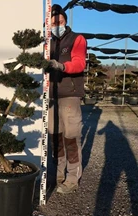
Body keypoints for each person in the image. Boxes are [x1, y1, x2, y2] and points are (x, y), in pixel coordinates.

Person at [47, 4, 87, 194]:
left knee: (71, 137)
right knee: (55, 137)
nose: (57, 25)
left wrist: (62, 67)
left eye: (60, 21)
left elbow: (79, 63)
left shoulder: (76, 39)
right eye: (54, 23)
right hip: (51, 97)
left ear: (65, 20)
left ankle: (72, 178)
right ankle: (58, 173)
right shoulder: (47, 43)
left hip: (69, 95)